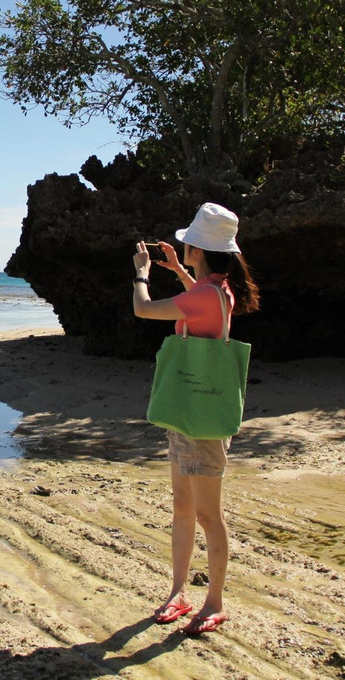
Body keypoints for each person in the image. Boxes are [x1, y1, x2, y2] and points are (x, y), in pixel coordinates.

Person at [131, 202, 260, 635]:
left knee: (207, 515)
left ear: (201, 248)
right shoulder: (216, 288)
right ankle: (177, 592)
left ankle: (215, 602)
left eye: (188, 243)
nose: (184, 245)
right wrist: (177, 270)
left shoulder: (206, 295)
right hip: (192, 413)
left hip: (200, 417)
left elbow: (144, 310)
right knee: (184, 507)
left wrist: (143, 272)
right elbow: (199, 297)